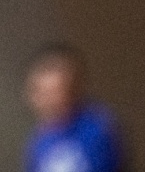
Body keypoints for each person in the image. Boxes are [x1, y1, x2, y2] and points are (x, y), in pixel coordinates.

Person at [22, 44, 127, 172]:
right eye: (40, 93)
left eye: (54, 93)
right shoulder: (40, 140)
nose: (45, 101)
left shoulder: (97, 129)